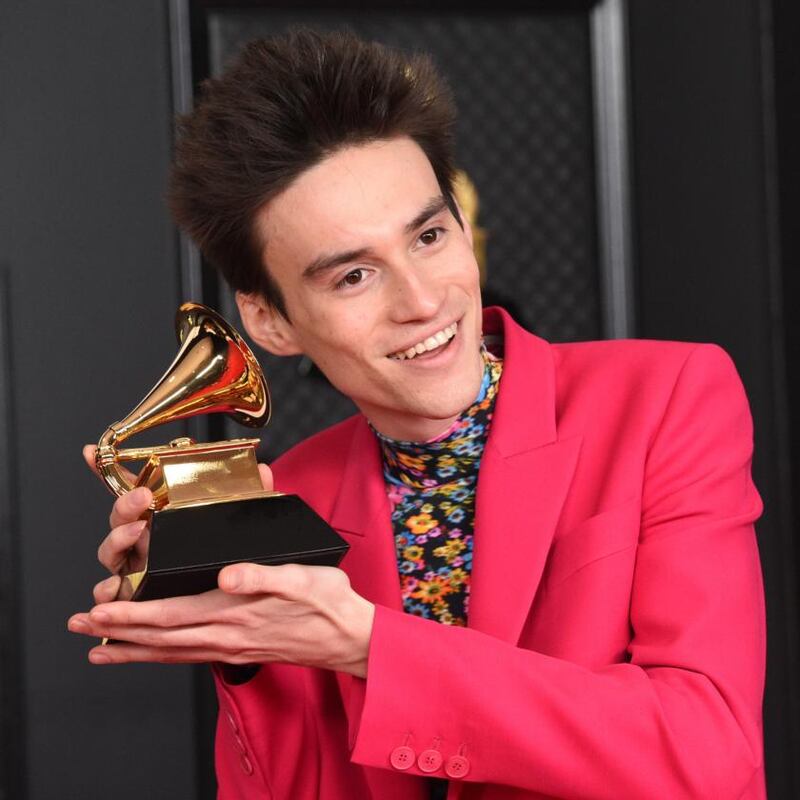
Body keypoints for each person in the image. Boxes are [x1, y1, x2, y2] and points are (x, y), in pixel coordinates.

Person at [68, 29, 766, 799]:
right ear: (270, 322)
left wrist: (370, 648)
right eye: (355, 275)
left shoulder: (666, 398)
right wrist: (244, 641)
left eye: (430, 236)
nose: (425, 300)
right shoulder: (289, 495)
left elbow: (709, 754)